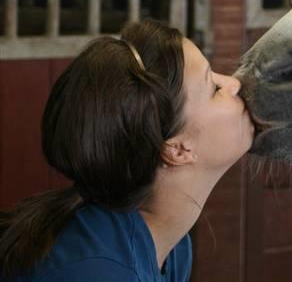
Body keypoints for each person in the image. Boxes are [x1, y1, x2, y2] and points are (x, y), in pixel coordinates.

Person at [0, 19, 254, 281]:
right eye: (213, 88)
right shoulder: (99, 272)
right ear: (177, 149)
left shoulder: (173, 248)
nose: (234, 84)